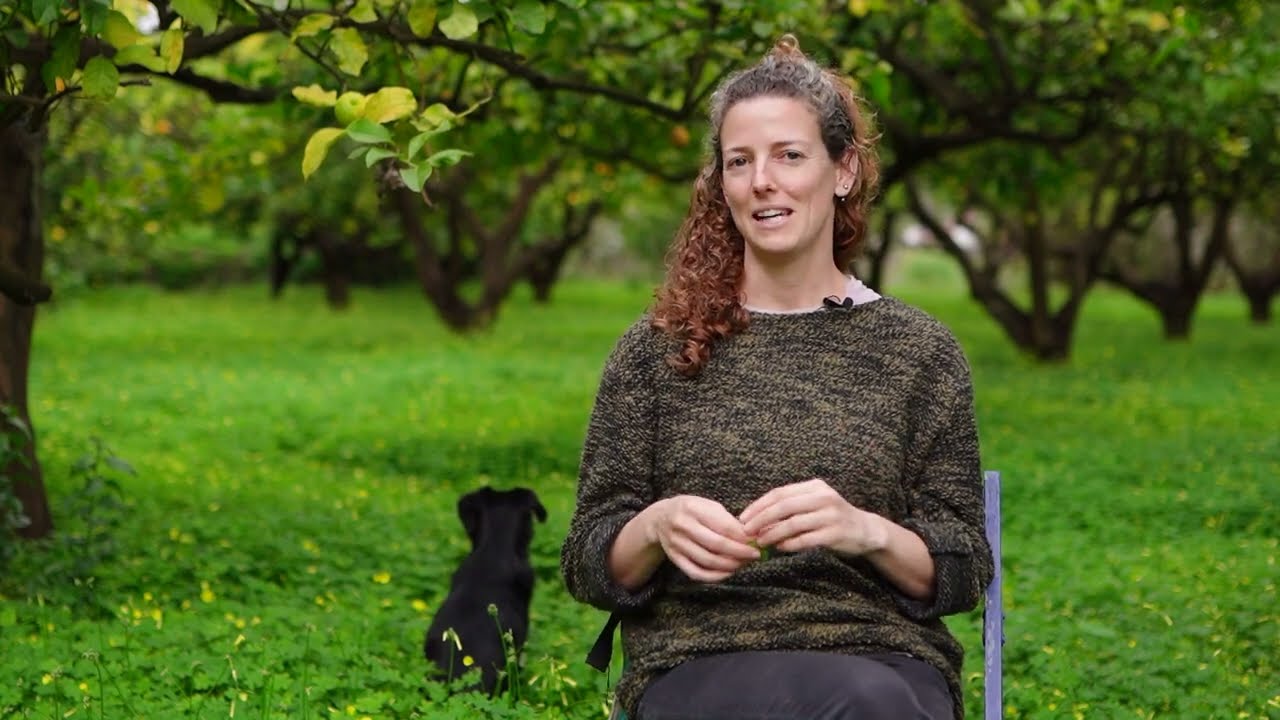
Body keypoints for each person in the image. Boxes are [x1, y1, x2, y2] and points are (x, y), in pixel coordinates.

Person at [559, 34, 994, 720]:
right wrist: (655, 526)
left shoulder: (919, 352)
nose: (763, 180)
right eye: (740, 161)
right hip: (700, 659)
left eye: (789, 155)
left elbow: (965, 564)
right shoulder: (656, 352)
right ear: (721, 183)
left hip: (882, 659)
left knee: (871, 703)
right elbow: (588, 559)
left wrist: (865, 529)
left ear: (843, 169)